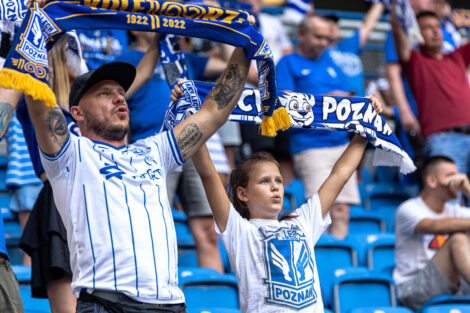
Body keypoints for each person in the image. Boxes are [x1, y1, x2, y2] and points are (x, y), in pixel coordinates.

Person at [0, 27, 251, 312]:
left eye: (121, 93)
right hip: (106, 304)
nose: (120, 98)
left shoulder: (156, 150)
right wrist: (37, 28)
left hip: (171, 304)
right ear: (77, 113)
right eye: (105, 93)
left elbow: (215, 111)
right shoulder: (70, 154)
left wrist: (245, 47)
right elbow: (37, 92)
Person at [187, 89, 383, 312]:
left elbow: (340, 174)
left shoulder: (302, 222)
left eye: (278, 180)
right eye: (264, 181)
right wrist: (192, 118)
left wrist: (364, 131)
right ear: (242, 194)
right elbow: (208, 174)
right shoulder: (239, 231)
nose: (275, 187)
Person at [276, 13, 360, 239]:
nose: (324, 43)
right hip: (309, 145)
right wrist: (326, 99)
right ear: (302, 34)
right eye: (318, 37)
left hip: (340, 144)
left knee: (342, 211)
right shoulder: (287, 62)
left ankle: (337, 262)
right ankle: (316, 264)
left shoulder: (330, 60)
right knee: (320, 213)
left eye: (326, 38)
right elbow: (283, 102)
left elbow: (346, 92)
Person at [390, 7, 470, 190]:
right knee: (448, 202)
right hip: (443, 140)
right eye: (427, 27)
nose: (435, 31)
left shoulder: (456, 57)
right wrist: (397, 7)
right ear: (417, 34)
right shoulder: (415, 61)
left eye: (437, 26)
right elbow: (397, 30)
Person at [394, 156, 470, 310]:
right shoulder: (408, 208)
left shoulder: (455, 210)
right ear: (431, 181)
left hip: (453, 284)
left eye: (458, 175)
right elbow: (435, 226)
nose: (458, 179)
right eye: (451, 176)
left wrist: (468, 189)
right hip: (414, 288)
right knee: (459, 238)